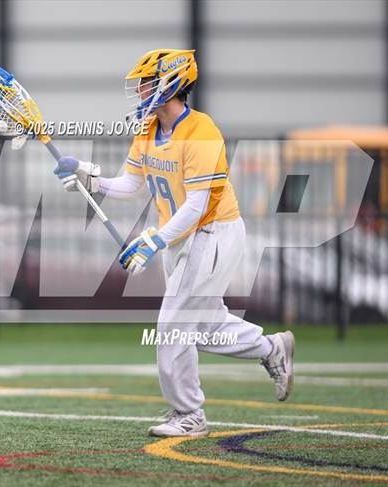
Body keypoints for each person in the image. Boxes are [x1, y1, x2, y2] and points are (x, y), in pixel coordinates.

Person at [54, 49, 294, 438]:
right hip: (179, 237)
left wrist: (153, 240)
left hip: (213, 232)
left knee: (173, 325)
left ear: (171, 84)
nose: (140, 90)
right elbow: (131, 184)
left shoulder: (201, 132)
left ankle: (189, 413)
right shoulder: (147, 129)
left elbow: (197, 206)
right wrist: (90, 178)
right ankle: (271, 349)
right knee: (203, 326)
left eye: (146, 82)